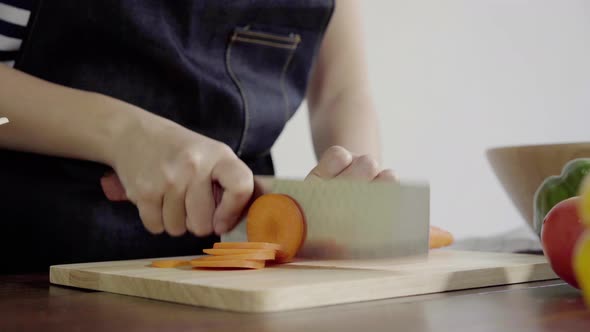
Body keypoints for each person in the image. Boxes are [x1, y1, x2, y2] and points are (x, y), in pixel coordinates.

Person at [0, 0, 394, 273]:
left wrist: (352, 185)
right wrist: (122, 133)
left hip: (237, 268)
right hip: (33, 266)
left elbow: (340, 94)